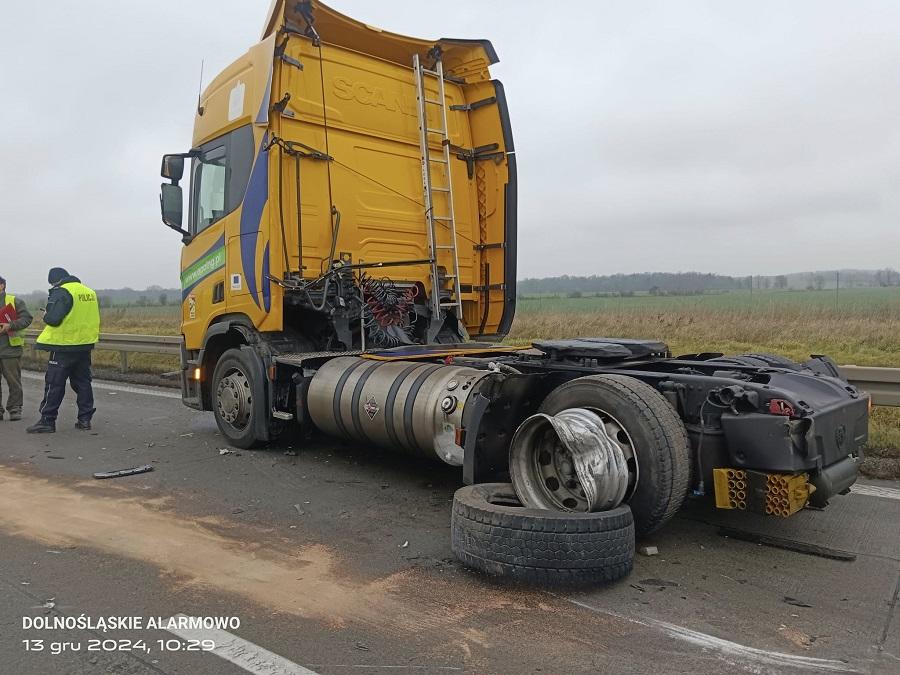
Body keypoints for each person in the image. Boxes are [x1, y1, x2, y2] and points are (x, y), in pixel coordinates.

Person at [27, 268, 100, 433]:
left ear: (56, 281)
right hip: (84, 345)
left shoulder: (62, 291)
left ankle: (47, 421)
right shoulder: (89, 292)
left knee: (54, 384)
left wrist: (46, 314)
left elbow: (53, 319)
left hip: (63, 345)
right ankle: (85, 419)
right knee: (83, 383)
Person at [0, 275, 34, 421]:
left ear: (2, 285)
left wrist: (10, 325)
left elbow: (27, 318)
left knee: (13, 381)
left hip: (10, 349)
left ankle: (15, 409)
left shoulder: (14, 301)